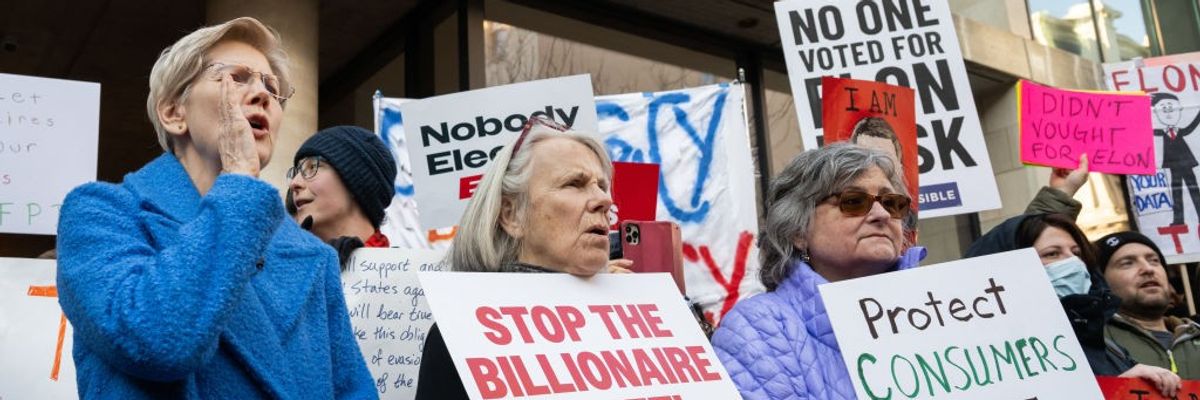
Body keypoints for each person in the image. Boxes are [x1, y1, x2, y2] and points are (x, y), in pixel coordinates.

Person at [54, 17, 375, 398]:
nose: (263, 95)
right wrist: (239, 180)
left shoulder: (314, 257)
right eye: (236, 77)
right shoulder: (101, 214)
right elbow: (158, 341)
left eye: (271, 87)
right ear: (174, 113)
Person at [415, 119, 615, 399]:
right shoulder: (462, 337)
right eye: (575, 183)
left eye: (602, 186)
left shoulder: (649, 326)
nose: (604, 200)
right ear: (512, 215)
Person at [711, 143, 924, 399]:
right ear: (798, 231)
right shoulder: (760, 329)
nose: (882, 214)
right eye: (853, 201)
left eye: (892, 202)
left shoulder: (943, 309)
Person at [965, 214, 1180, 396]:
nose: (1073, 262)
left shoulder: (1104, 345)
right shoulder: (990, 357)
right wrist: (1111, 392)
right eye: (1052, 254)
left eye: (1076, 253)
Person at [288, 125, 398, 266]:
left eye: (312, 167)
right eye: (296, 172)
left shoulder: (411, 278)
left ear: (356, 180)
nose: (294, 183)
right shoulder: (282, 271)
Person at [1097, 231, 1200, 380]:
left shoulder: (1195, 333)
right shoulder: (1094, 344)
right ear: (1101, 281)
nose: (1148, 269)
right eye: (1127, 263)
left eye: (1154, 261)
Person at [1152, 92, 1200, 226]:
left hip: (1187, 163)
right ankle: (1178, 220)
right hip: (1173, 165)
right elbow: (1148, 130)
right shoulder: (1161, 132)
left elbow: (1192, 127)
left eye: (1171, 107)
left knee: (1194, 189)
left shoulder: (1181, 131)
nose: (1168, 111)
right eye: (1163, 108)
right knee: (1176, 192)